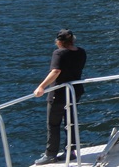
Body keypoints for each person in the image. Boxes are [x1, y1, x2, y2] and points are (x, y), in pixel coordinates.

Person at [33, 29, 87, 165]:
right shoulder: (81, 52)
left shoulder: (59, 53)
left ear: (59, 42)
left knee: (53, 124)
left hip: (59, 93)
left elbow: (56, 71)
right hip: (75, 91)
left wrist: (41, 87)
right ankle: (71, 151)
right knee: (71, 122)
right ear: (73, 39)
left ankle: (50, 154)